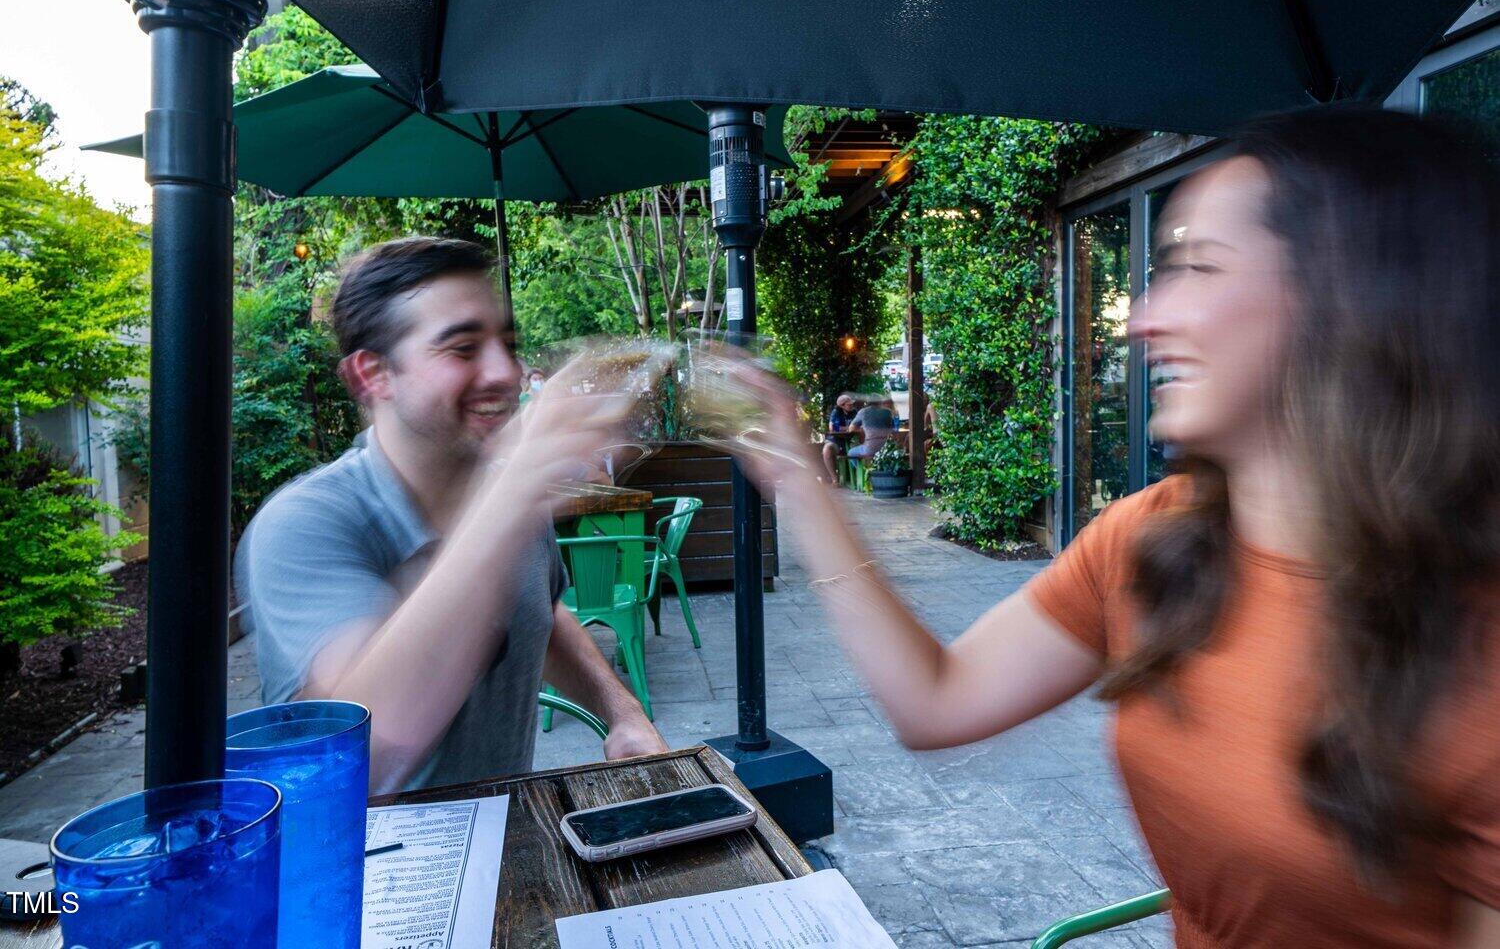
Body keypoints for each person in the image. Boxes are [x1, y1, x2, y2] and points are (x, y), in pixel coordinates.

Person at [732, 108, 1500, 946]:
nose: (1140, 321)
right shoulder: (1152, 537)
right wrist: (802, 486)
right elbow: (938, 702)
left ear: (1354, 300)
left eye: (1199, 268)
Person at [236, 237, 667, 795]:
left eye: (507, 345)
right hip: (370, 875)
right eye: (463, 349)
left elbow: (545, 611)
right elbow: (370, 749)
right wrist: (509, 499)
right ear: (372, 375)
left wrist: (623, 713)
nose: (505, 372)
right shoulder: (303, 525)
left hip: (512, 848)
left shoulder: (501, 492)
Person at [820, 392, 858, 482]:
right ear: (842, 406)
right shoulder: (836, 412)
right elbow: (833, 427)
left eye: (852, 403)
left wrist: (844, 428)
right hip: (835, 441)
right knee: (827, 450)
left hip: (851, 440)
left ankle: (858, 477)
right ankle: (834, 479)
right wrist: (849, 428)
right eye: (849, 404)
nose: (852, 405)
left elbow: (859, 425)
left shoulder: (854, 412)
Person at [847, 395, 896, 460]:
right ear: (880, 402)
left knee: (850, 453)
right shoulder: (887, 412)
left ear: (868, 402)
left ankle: (860, 470)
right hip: (886, 448)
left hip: (871, 448)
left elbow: (851, 429)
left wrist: (863, 429)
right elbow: (892, 428)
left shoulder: (863, 412)